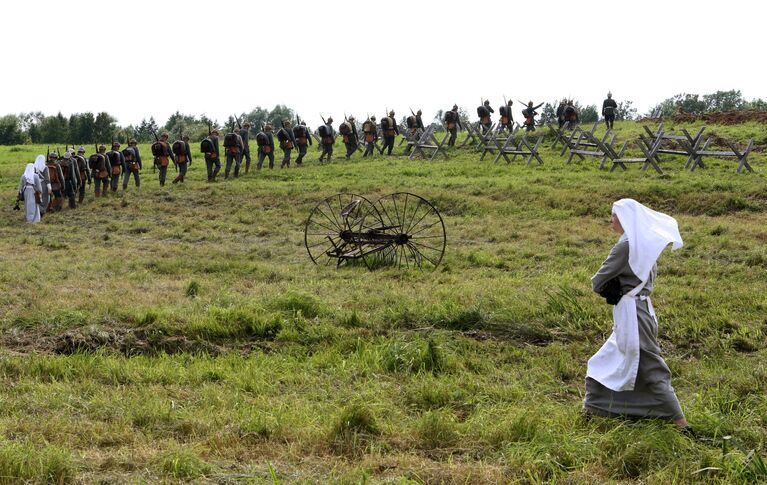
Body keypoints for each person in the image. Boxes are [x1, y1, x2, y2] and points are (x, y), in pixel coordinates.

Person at [585, 199, 689, 430]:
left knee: (651, 368)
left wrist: (611, 286)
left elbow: (598, 280)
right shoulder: (643, 242)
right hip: (639, 311)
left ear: (625, 219)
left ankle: (681, 424)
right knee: (604, 360)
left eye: (614, 215)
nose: (611, 220)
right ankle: (593, 408)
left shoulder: (626, 245)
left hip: (633, 316)